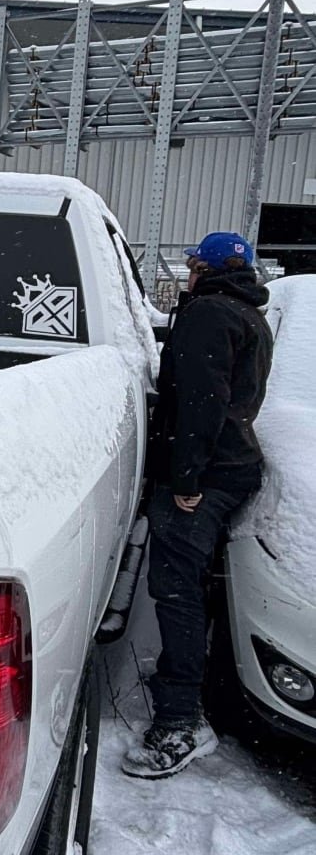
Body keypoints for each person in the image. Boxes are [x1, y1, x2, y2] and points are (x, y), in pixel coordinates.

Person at [122, 231, 273, 780]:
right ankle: (189, 698)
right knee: (189, 588)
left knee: (178, 591)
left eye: (191, 265)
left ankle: (181, 720)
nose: (186, 273)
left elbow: (203, 403)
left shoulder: (210, 313)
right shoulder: (247, 313)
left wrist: (186, 476)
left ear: (205, 269)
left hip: (205, 475)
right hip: (229, 466)